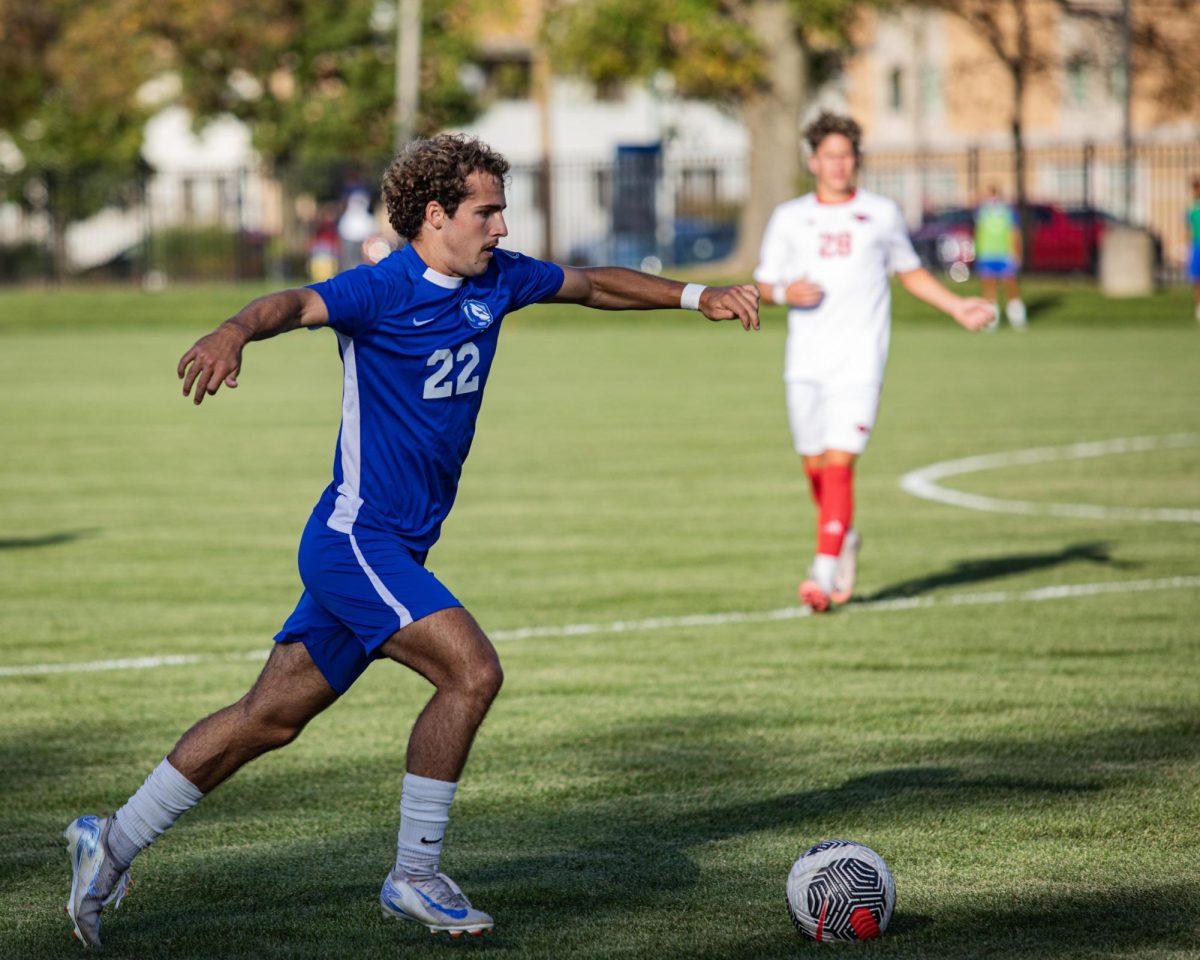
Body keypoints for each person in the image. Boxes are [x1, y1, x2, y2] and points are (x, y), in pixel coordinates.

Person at [62, 134, 760, 948]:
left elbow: (593, 283)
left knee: (270, 716)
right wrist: (232, 331)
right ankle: (416, 876)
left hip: (393, 548)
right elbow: (288, 304)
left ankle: (106, 844)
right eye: (486, 211)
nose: (501, 227)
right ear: (435, 216)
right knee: (472, 671)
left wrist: (696, 295)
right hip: (357, 541)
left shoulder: (497, 279)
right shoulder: (380, 290)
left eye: (501, 210)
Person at [753, 112, 993, 614]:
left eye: (847, 155)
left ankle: (821, 571)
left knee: (841, 464)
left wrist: (957, 306)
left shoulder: (881, 213)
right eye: (830, 155)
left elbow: (910, 273)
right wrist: (782, 291)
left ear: (856, 159)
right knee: (815, 466)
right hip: (805, 361)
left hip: (860, 361)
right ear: (813, 160)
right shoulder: (789, 217)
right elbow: (762, 285)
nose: (839, 164)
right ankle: (844, 538)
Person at [974, 184, 1026, 330]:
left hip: (1005, 254)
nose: (993, 199)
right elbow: (979, 233)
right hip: (987, 254)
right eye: (990, 195)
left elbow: (1014, 233)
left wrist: (1016, 251)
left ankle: (1017, 319)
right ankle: (991, 321)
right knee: (989, 288)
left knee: (1011, 286)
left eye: (995, 195)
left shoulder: (1008, 212)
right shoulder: (982, 212)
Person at [1188, 176, 1200, 322]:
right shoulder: (1192, 209)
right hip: (1197, 245)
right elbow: (1188, 230)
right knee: (1197, 279)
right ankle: (1198, 307)